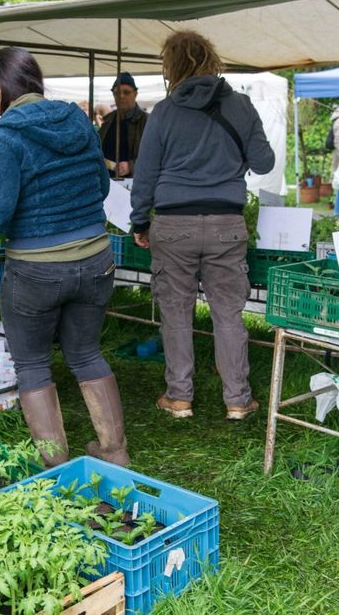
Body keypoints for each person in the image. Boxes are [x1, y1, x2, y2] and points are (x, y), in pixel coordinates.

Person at [0, 47, 129, 468]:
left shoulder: (4, 138)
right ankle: (116, 454)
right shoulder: (79, 121)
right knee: (86, 354)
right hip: (97, 261)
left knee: (32, 366)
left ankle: (56, 467)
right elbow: (101, 186)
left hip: (37, 272)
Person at [130, 30, 274, 421]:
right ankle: (238, 400)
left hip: (173, 224)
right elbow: (264, 163)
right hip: (226, 222)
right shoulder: (241, 105)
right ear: (211, 58)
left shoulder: (163, 111)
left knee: (176, 313)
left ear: (171, 66)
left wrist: (139, 220)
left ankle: (179, 397)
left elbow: (145, 175)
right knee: (228, 314)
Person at [98, 72, 147, 178]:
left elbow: (156, 154)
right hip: (107, 180)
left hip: (135, 182)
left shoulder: (147, 121)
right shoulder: (108, 121)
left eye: (126, 92)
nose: (121, 96)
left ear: (135, 93)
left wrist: (131, 166)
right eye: (117, 93)